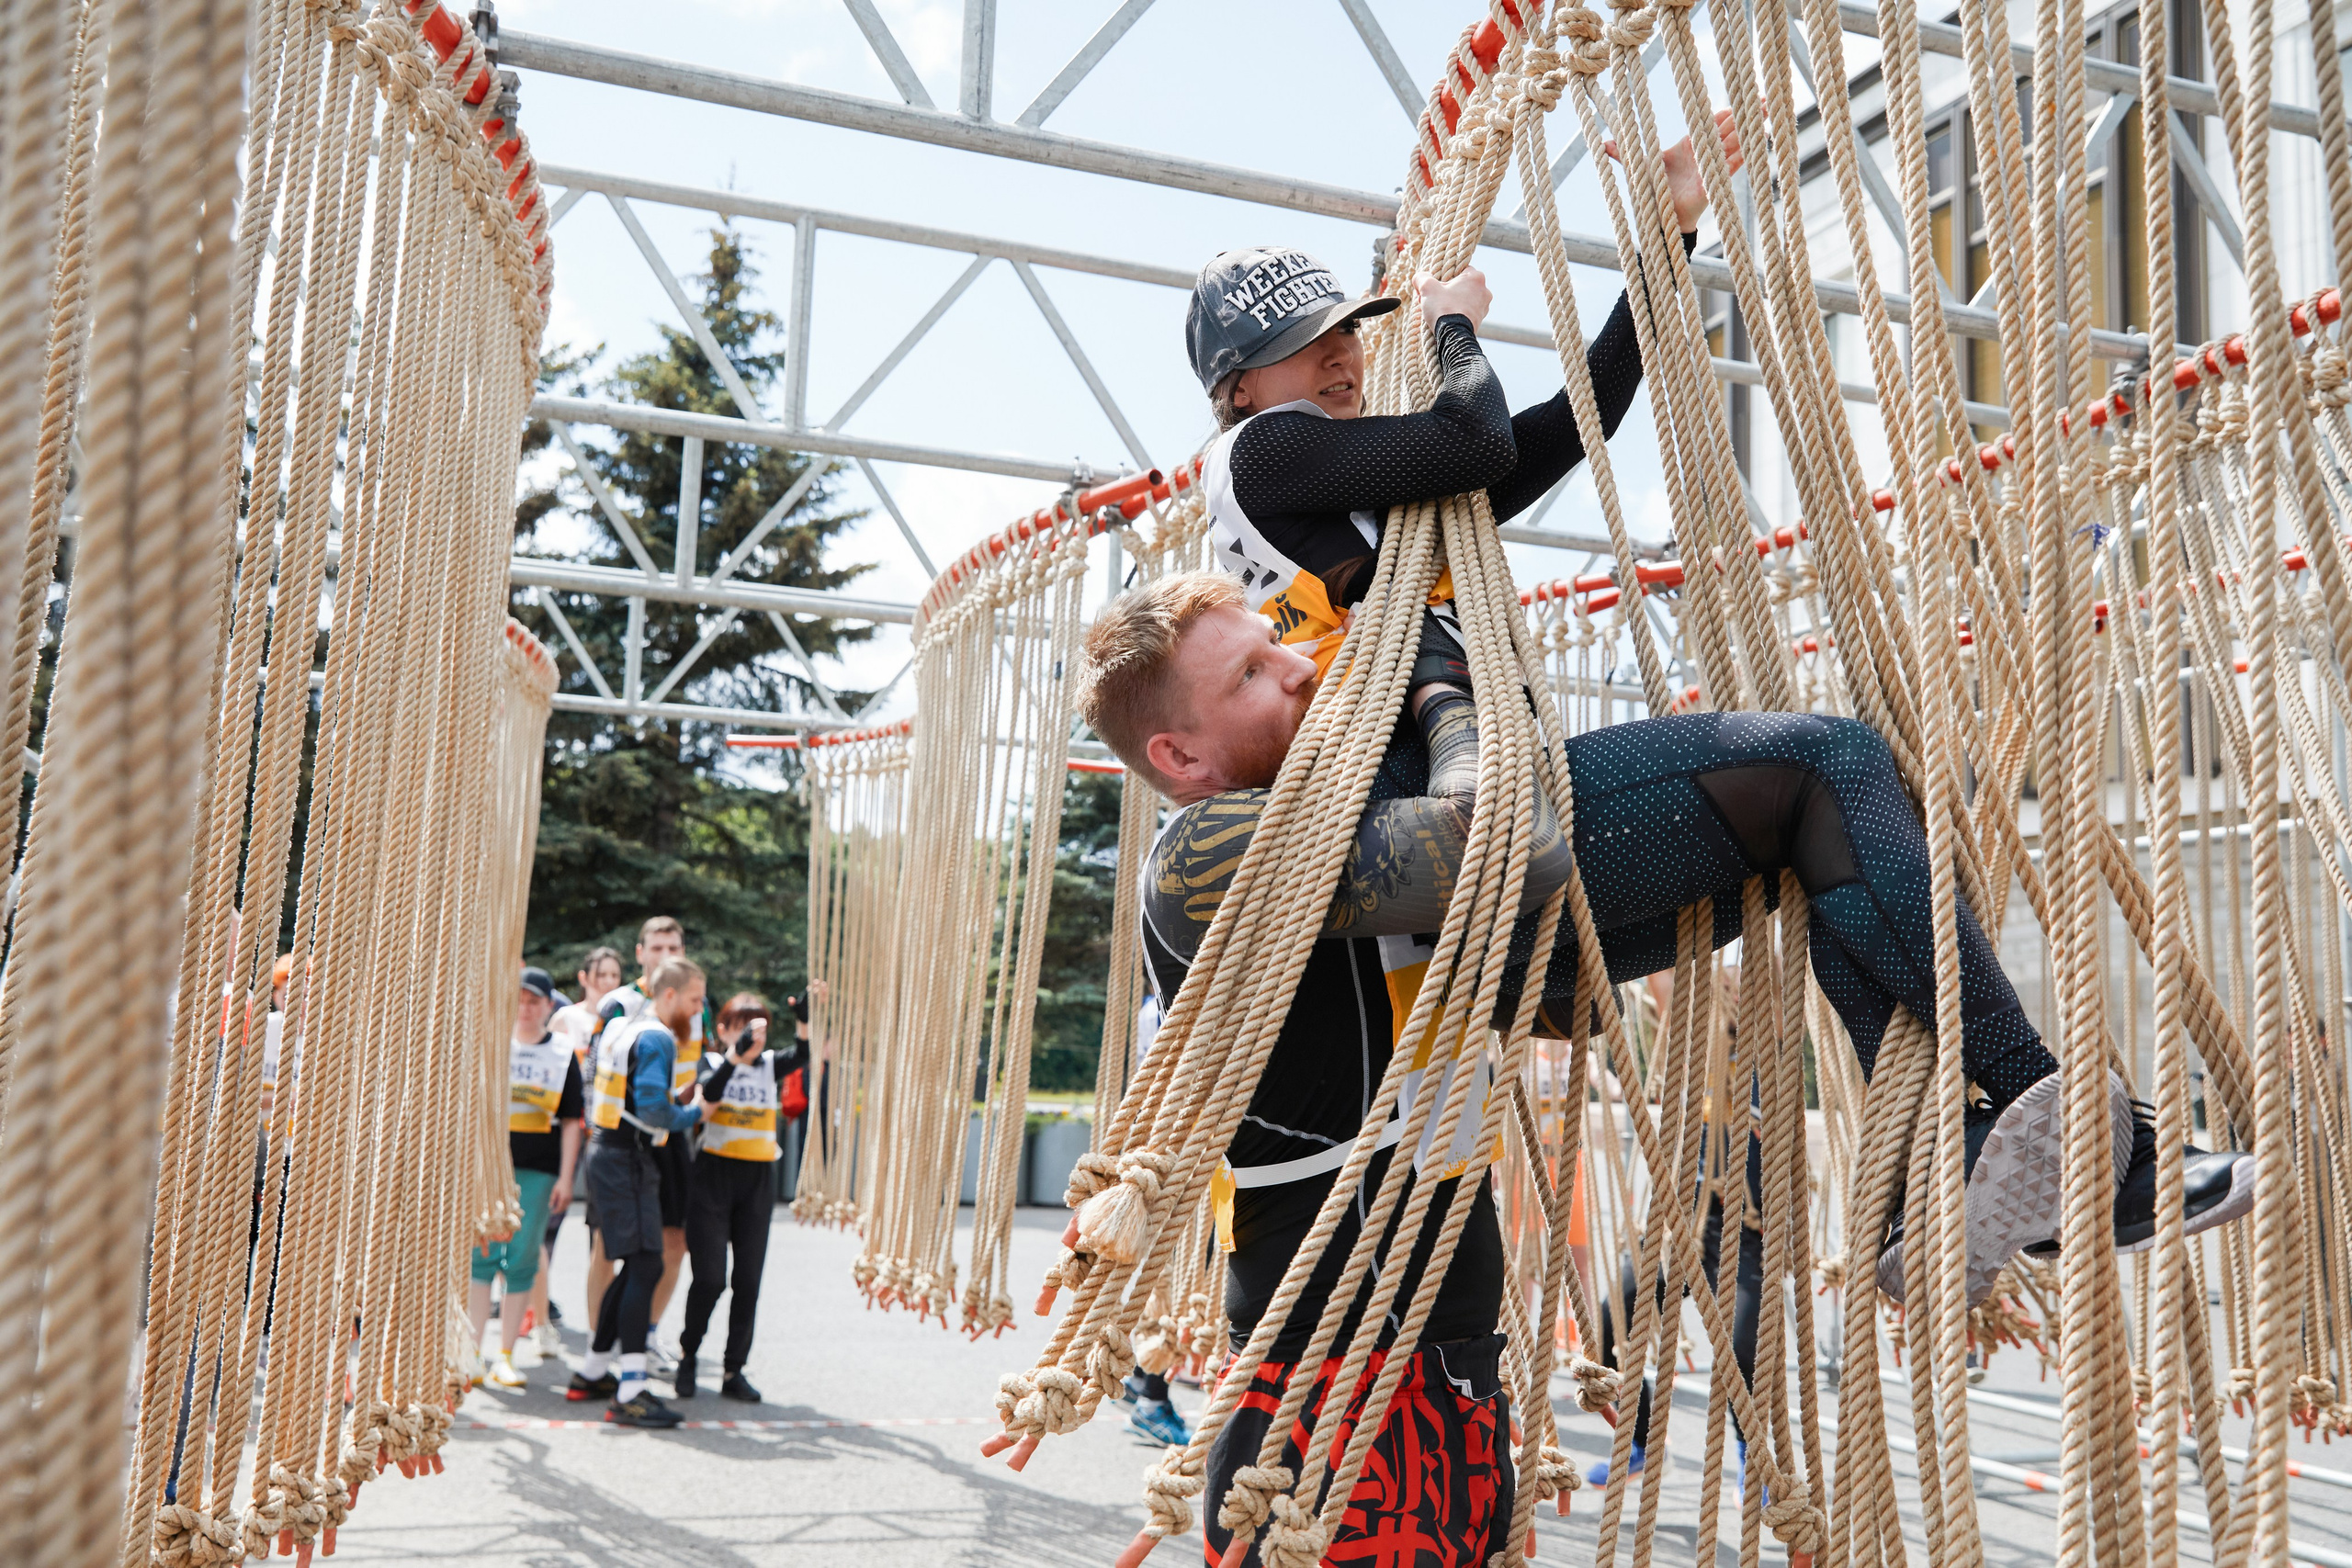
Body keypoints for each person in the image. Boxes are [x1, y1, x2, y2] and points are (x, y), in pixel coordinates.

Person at [1070, 569, 2256, 1563]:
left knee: (1812, 801)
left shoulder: (1345, 860)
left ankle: (1954, 1151)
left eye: (1277, 645)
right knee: (1816, 769)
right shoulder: (1201, 858)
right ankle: (2052, 1127)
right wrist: (1437, 685)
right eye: (1251, 675)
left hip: (1444, 1354)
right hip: (1334, 1378)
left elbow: (1568, 997)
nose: (1300, 668)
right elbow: (1505, 846)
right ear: (1180, 756)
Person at [569, 957, 719, 1427]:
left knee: (638, 1262)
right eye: (694, 999)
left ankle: (594, 1369)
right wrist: (696, 1113)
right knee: (648, 1264)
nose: (698, 1010)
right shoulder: (657, 1037)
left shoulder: (624, 1028)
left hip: (608, 1151)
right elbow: (654, 1110)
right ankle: (630, 1390)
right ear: (669, 994)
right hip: (628, 1159)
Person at [586, 919, 708, 1363]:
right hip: (623, 1136)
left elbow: (702, 1060)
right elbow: (594, 1070)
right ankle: (601, 1347)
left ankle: (644, 1336)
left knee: (670, 1244)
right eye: (657, 947)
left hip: (670, 1134)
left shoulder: (696, 1004)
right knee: (610, 1247)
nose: (665, 954)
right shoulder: (621, 1004)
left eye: (673, 947)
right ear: (640, 953)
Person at [674, 989, 802, 1402]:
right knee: (710, 1279)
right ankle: (688, 1354)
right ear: (724, 1030)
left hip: (756, 1180)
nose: (751, 1037)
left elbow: (804, 1054)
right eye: (741, 1028)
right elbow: (709, 1094)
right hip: (712, 1176)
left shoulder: (769, 1065)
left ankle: (734, 1370)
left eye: (757, 1028)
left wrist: (804, 1020)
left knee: (747, 1280)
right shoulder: (712, 1063)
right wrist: (735, 1055)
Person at [469, 967, 584, 1389]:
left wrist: (566, 1178)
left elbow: (571, 1121)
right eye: (519, 999)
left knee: (521, 1258)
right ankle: (473, 1353)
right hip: (490, 1169)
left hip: (538, 1170)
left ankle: (505, 1355)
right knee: (481, 1255)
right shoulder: (492, 1045)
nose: (525, 1008)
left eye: (534, 1000)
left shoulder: (563, 1053)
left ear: (549, 1005)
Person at [536, 945, 623, 1356]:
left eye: (614, 975)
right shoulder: (566, 1019)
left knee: (600, 1226)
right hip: (567, 1127)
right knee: (550, 1220)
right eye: (601, 975)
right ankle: (539, 1300)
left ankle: (601, 1314)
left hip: (606, 1132)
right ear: (584, 978)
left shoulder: (623, 1022)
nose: (608, 982)